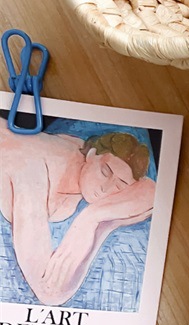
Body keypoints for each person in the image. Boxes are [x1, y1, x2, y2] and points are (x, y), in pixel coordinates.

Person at [0, 127, 156, 306]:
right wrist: (89, 219)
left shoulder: (83, 157)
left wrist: (101, 221)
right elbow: (46, 290)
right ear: (91, 154)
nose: (105, 188)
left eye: (119, 186)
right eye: (105, 172)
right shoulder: (33, 170)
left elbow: (151, 190)